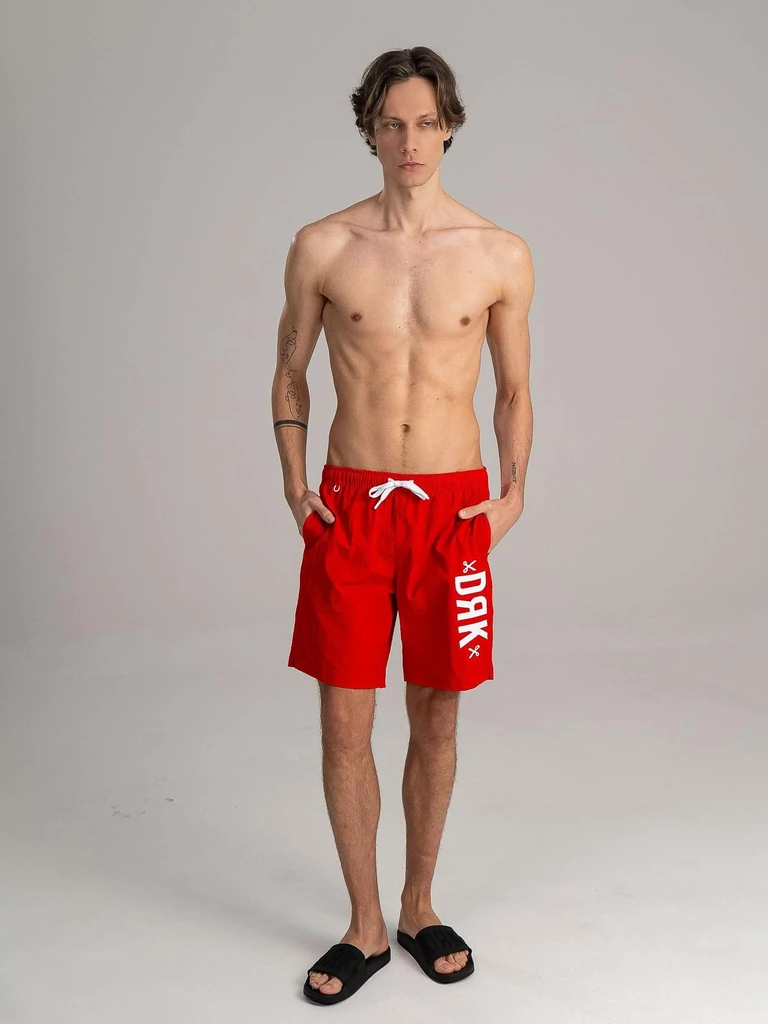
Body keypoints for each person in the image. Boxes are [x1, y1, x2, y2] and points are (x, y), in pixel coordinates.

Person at [271, 45, 535, 1005]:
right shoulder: (323, 245)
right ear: (369, 130)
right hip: (351, 507)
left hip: (452, 513)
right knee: (344, 720)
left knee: (437, 713)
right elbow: (291, 370)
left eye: (426, 122)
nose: (409, 141)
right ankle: (365, 925)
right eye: (392, 123)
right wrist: (295, 482)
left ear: (450, 126)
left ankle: (419, 906)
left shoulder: (498, 252)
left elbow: (514, 389)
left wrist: (513, 495)